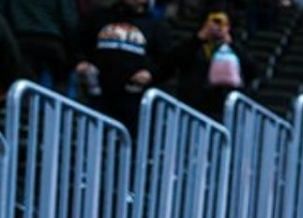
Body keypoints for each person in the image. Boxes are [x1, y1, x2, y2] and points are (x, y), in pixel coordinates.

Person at [78, 0, 171, 134]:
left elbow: (166, 62)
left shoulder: (157, 26)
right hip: (97, 93)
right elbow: (80, 44)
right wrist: (81, 61)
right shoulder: (99, 17)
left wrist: (151, 73)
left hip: (133, 100)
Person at [167, 9, 249, 120]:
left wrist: (232, 45)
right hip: (192, 105)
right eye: (215, 22)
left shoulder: (234, 49)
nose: (218, 27)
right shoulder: (193, 44)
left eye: (223, 24)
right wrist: (198, 39)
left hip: (221, 108)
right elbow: (174, 61)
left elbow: (251, 70)